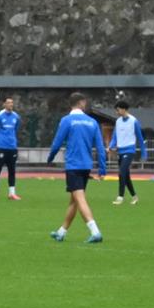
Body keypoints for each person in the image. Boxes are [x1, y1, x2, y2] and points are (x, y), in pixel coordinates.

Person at [48, 91, 107, 243]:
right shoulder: (92, 122)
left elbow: (57, 141)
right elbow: (100, 147)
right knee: (73, 200)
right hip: (86, 165)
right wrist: (102, 168)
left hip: (73, 165)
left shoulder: (67, 120)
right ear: (81, 103)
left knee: (79, 198)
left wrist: (50, 157)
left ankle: (95, 231)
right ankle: (61, 232)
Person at [110, 100, 144, 205]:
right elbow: (115, 136)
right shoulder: (118, 121)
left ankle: (120, 197)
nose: (117, 112)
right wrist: (111, 146)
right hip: (120, 151)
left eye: (118, 110)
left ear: (124, 109)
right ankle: (134, 197)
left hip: (129, 151)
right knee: (126, 176)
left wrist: (144, 153)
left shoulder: (134, 121)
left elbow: (140, 138)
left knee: (121, 173)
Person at [0, 95, 22, 201]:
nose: (11, 105)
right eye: (8, 103)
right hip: (1, 147)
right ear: (4, 104)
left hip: (12, 147)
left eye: (12, 103)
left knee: (12, 170)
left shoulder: (16, 116)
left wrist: (12, 140)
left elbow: (16, 129)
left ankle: (12, 193)